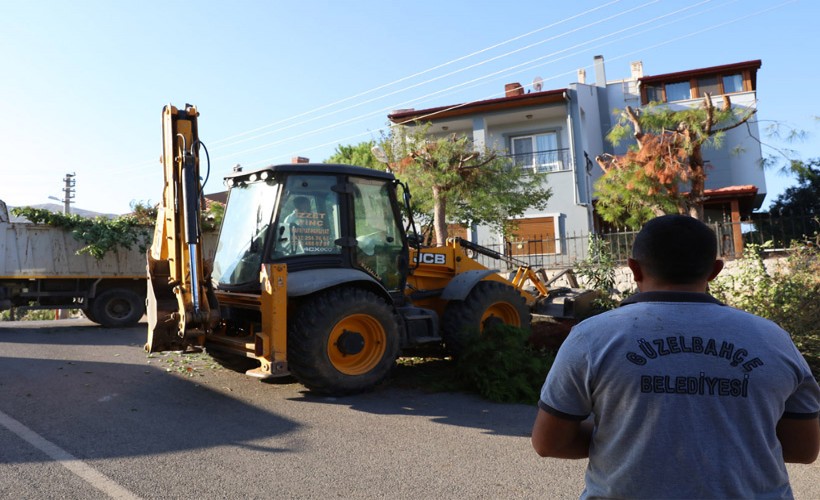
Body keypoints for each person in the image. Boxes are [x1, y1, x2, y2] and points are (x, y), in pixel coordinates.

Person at [531, 215, 820, 499]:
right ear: (715, 270)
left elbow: (549, 442)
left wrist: (621, 435)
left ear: (634, 268)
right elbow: (803, 450)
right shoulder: (773, 339)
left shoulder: (591, 337)